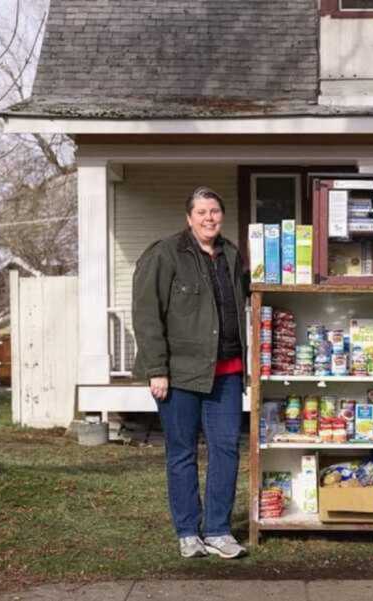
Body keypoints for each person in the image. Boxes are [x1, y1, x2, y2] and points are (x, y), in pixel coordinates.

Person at [132, 186, 248, 559]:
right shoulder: (165, 253)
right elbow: (147, 314)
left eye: (214, 211)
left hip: (227, 372)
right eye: (201, 212)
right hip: (178, 375)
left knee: (226, 449)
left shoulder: (231, 254)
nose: (209, 218)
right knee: (182, 453)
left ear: (222, 216)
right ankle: (187, 532)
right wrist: (156, 369)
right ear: (189, 217)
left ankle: (217, 530)